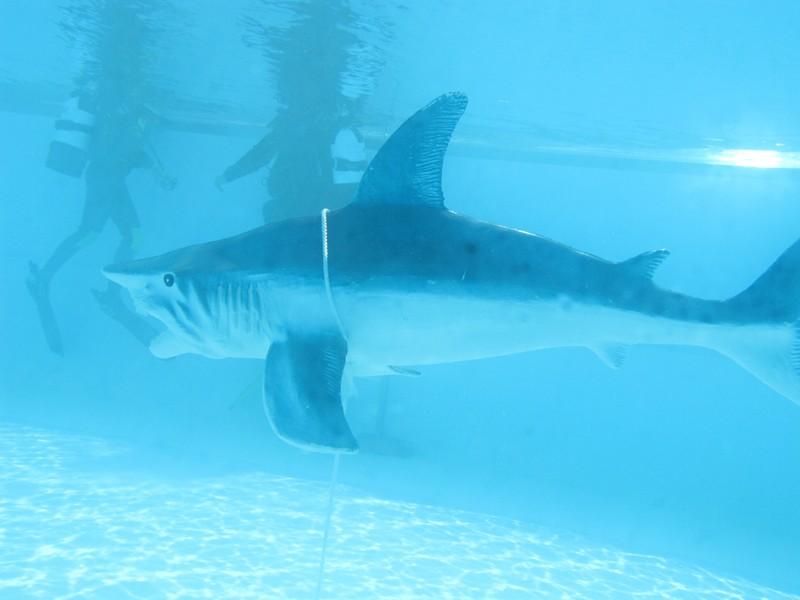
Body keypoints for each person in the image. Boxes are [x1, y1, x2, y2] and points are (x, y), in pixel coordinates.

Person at [28, 90, 175, 352]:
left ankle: (110, 291)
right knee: (90, 234)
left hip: (113, 182)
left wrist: (158, 174)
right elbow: (124, 153)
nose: (153, 124)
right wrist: (155, 171)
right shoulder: (126, 126)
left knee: (131, 236)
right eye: (152, 118)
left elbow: (135, 155)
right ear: (143, 114)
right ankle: (46, 276)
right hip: (103, 181)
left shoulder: (133, 129)